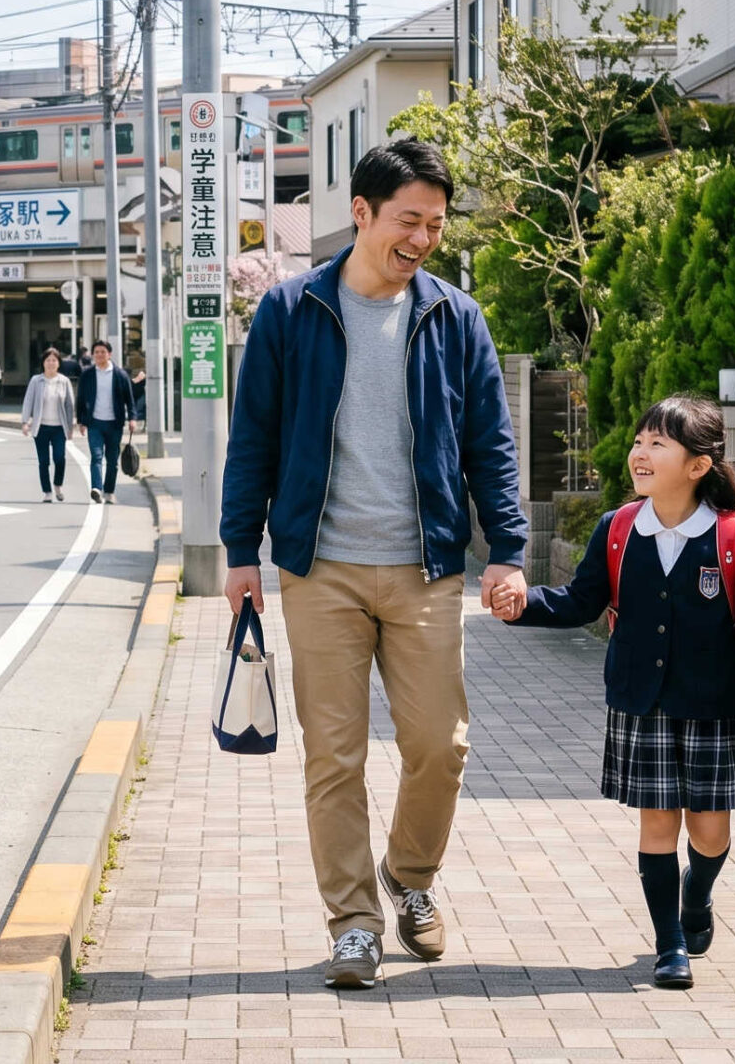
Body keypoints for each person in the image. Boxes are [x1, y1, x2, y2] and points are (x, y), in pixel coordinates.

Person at [220, 137, 531, 989]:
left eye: (435, 223)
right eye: (409, 220)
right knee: (335, 756)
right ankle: (354, 921)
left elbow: (490, 446)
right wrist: (239, 548)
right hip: (319, 567)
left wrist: (506, 549)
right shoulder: (290, 313)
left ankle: (409, 877)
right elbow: (254, 440)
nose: (424, 237)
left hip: (425, 565)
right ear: (361, 213)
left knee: (440, 744)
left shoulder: (455, 316)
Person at [486, 396, 735, 990]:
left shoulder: (734, 537)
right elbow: (581, 600)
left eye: (657, 444)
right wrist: (523, 606)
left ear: (698, 465)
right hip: (640, 703)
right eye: (639, 441)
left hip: (714, 705)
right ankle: (669, 943)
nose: (640, 454)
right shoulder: (619, 528)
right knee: (656, 826)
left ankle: (697, 894)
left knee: (709, 830)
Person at [17, 346, 78, 502]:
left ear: (58, 363)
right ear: (43, 363)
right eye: (48, 360)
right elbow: (28, 401)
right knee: (43, 461)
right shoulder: (36, 381)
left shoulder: (64, 381)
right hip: (41, 427)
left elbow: (70, 405)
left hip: (59, 427)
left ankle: (58, 485)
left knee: (59, 458)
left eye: (54, 360)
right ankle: (47, 492)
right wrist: (25, 422)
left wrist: (70, 427)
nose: (51, 363)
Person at [77, 341, 134, 504]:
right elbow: (81, 399)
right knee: (96, 456)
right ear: (93, 355)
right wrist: (81, 420)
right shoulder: (87, 375)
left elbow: (129, 400)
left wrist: (132, 418)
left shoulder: (120, 375)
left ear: (109, 354)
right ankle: (96, 488)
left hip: (114, 423)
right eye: (96, 352)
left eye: (103, 352)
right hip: (94, 422)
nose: (99, 355)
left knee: (112, 460)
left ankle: (109, 491)